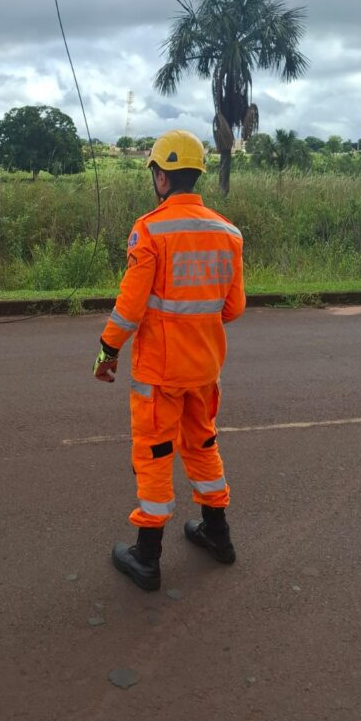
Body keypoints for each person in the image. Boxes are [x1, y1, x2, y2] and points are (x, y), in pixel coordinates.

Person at [92, 129, 246, 591]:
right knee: (202, 445)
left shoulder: (150, 230)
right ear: (197, 175)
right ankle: (217, 535)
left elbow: (130, 306)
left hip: (159, 374)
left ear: (161, 177)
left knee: (155, 453)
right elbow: (233, 309)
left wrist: (107, 349)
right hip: (204, 370)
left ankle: (147, 555)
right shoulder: (229, 233)